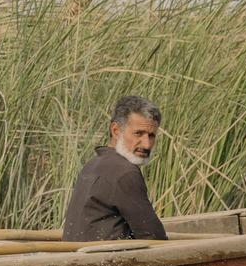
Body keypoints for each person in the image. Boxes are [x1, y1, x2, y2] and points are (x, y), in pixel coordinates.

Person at [62, 95, 168, 241]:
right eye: (139, 133)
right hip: (102, 259)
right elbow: (153, 236)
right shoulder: (125, 172)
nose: (147, 144)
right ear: (116, 130)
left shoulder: (92, 164)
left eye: (151, 136)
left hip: (80, 256)